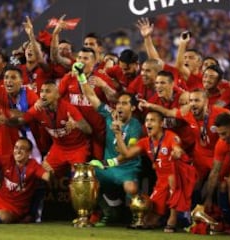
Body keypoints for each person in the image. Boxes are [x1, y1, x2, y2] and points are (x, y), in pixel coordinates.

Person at [77, 65, 142, 226]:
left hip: (128, 168)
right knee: (86, 176)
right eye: (119, 103)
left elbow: (126, 154)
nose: (119, 106)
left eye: (125, 104)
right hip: (108, 168)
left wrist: (118, 134)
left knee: (131, 189)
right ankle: (107, 212)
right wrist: (81, 78)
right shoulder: (109, 114)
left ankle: (135, 217)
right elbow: (91, 96)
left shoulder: (136, 126)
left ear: (133, 108)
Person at [115, 111, 197, 233]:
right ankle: (162, 217)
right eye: (147, 120)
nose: (148, 123)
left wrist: (177, 153)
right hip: (162, 180)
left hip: (181, 177)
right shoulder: (145, 142)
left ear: (161, 123)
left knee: (172, 179)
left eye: (152, 120)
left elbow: (177, 149)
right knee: (149, 221)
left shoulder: (170, 136)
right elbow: (126, 154)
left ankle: (173, 219)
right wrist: (117, 134)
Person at [6, 81, 92, 178]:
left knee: (79, 179)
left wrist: (76, 124)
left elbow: (88, 130)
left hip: (77, 148)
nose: (43, 94)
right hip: (58, 148)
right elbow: (22, 120)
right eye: (42, 91)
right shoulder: (38, 109)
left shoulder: (68, 108)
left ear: (57, 95)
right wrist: (5, 121)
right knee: (43, 172)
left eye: (48, 91)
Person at [58, 47, 116, 160]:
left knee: (98, 167)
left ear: (94, 62)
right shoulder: (68, 78)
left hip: (99, 134)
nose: (81, 61)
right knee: (78, 167)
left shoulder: (101, 78)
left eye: (85, 58)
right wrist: (68, 117)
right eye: (79, 58)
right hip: (78, 134)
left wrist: (105, 86)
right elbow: (57, 100)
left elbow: (114, 99)